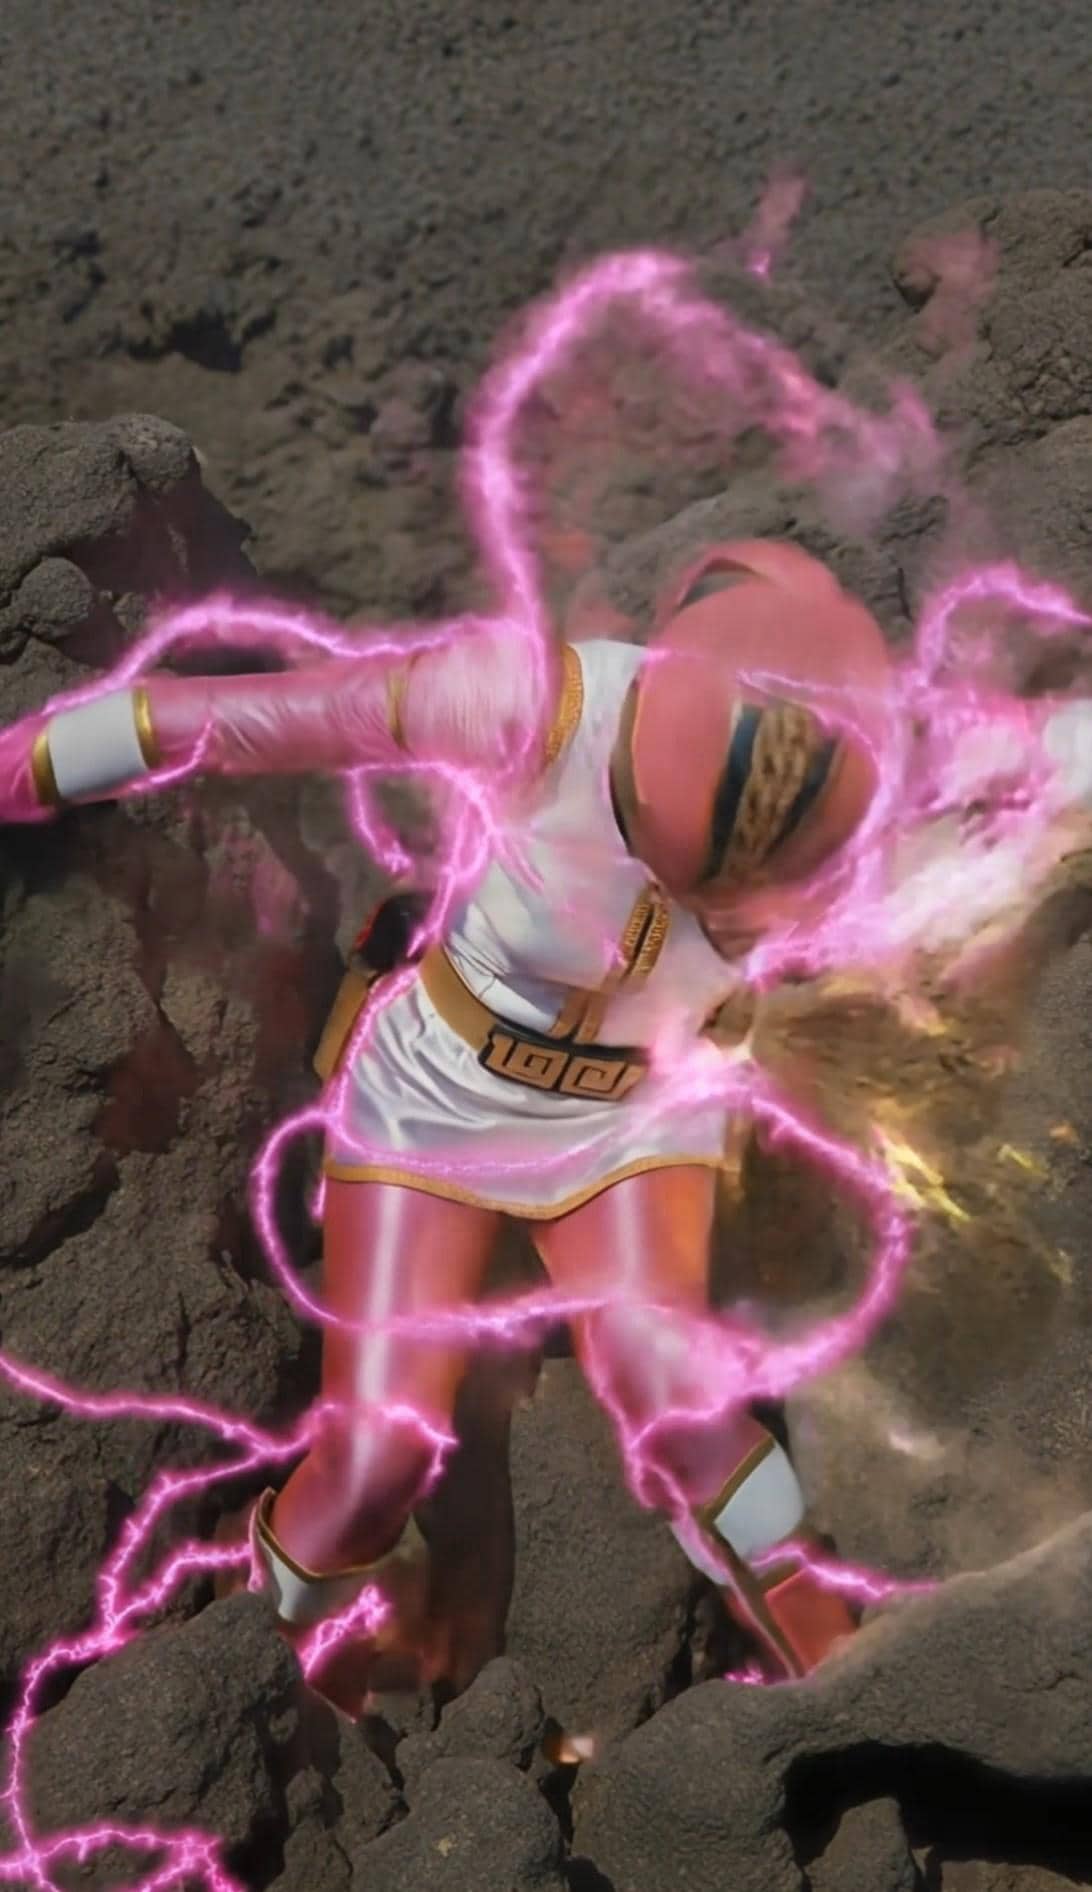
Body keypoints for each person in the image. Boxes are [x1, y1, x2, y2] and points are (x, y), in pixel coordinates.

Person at [1, 537, 1083, 1711]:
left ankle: (845, 1688)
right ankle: (247, 1689)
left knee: (688, 1414)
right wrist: (31, 762)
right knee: (375, 1457)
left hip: (633, 1124)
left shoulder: (891, 760)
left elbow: (1056, 750)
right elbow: (241, 719)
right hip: (436, 1104)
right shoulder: (524, 705)